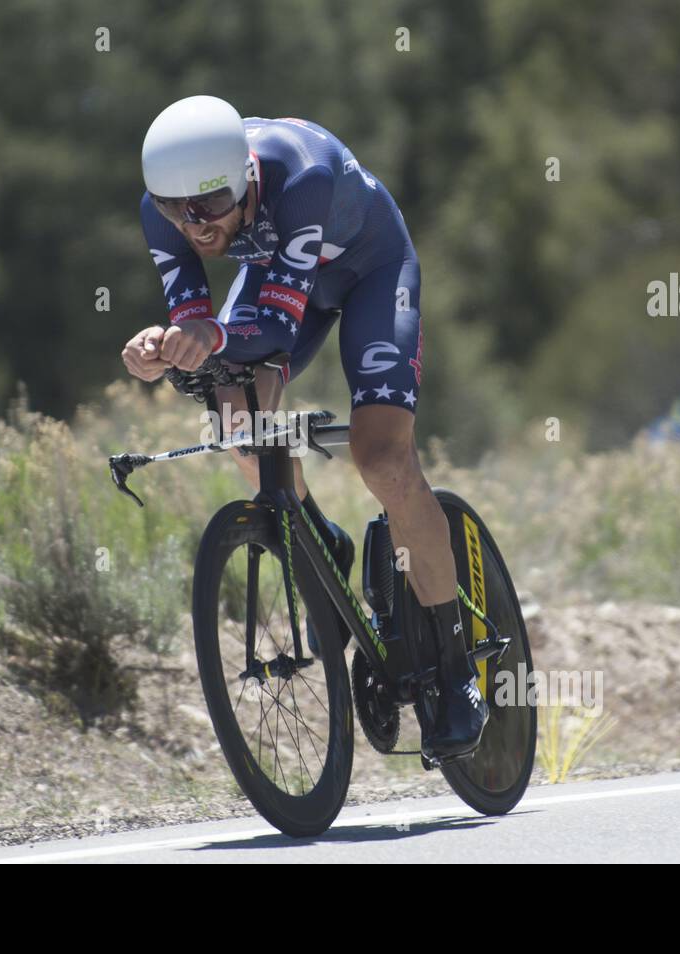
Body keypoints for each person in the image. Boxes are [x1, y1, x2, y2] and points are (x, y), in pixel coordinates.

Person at [121, 95, 486, 761]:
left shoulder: (302, 173)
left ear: (246, 178)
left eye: (207, 208)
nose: (194, 228)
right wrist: (162, 344)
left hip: (371, 271)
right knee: (236, 419)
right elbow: (195, 319)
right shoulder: (169, 206)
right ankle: (319, 539)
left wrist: (204, 335)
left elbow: (277, 328)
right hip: (284, 273)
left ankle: (457, 666)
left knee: (381, 461)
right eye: (177, 211)